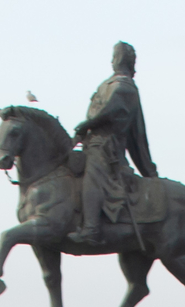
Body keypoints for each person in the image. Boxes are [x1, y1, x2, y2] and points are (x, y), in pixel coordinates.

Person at [74, 41, 157, 247]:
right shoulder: (110, 83)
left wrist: (87, 124)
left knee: (93, 176)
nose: (112, 60)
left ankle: (91, 229)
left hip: (106, 147)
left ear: (121, 59)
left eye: (115, 56)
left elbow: (111, 112)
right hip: (92, 142)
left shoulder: (124, 87)